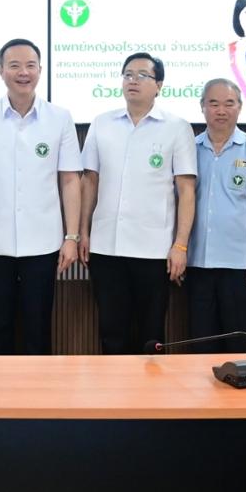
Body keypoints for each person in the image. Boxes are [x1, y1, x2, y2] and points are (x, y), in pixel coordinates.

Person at [0, 38, 83, 355]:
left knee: (38, 327)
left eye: (30, 65)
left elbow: (70, 180)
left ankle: (39, 388)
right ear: (1, 71)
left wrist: (71, 236)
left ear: (40, 70)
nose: (23, 72)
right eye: (14, 65)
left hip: (43, 242)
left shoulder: (60, 117)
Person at [80, 52, 197, 355]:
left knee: (151, 333)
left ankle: (151, 387)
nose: (133, 81)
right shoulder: (102, 123)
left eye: (143, 75)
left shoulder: (176, 127)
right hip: (107, 247)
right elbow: (89, 181)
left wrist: (180, 245)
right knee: (111, 332)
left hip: (154, 250)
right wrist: (83, 232)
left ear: (159, 85)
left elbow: (186, 190)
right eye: (128, 74)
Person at [187, 78, 246, 348]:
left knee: (241, 345)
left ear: (240, 107)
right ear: (202, 107)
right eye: (213, 103)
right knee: (201, 346)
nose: (221, 110)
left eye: (229, 103)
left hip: (242, 266)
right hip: (198, 263)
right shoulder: (189, 150)